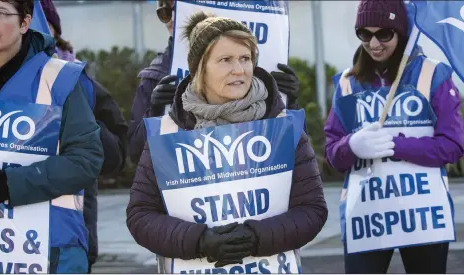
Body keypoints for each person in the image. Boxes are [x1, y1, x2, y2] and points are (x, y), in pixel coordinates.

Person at [126, 11, 328, 273]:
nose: (239, 69)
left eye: (246, 58)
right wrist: (199, 241)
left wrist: (256, 237)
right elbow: (140, 215)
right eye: (225, 60)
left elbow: (312, 210)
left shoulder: (282, 125)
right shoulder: (168, 132)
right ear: (200, 67)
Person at [324, 0, 464, 273]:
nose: (373, 43)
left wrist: (394, 145)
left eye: (384, 34)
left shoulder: (433, 75)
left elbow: (452, 146)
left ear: (401, 33)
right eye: (364, 34)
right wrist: (350, 146)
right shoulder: (347, 83)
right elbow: (333, 154)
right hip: (366, 216)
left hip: (423, 214)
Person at [0, 0, 103, 273]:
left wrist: (8, 183)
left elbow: (86, 159)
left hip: (50, 251)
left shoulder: (60, 78)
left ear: (25, 22)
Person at [127, 0, 300, 164]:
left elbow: (295, 156)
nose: (173, 18)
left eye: (181, 8)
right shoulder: (155, 77)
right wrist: (155, 114)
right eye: (164, 12)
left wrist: (288, 103)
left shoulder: (262, 71)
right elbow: (136, 155)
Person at [40, 0, 129, 272]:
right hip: (2, 241)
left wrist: (77, 115)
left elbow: (116, 155)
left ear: (54, 29)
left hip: (70, 240)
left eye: (40, 19)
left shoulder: (80, 82)